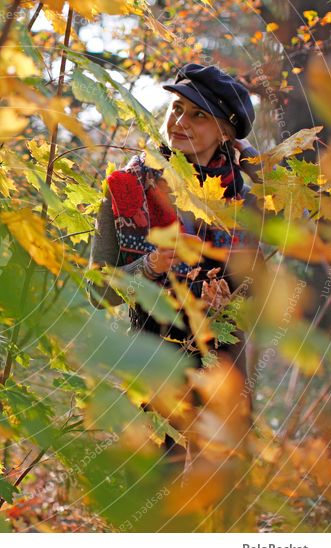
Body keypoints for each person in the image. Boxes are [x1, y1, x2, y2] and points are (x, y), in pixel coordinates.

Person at [87, 64, 260, 453]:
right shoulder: (128, 188)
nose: (180, 121)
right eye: (178, 107)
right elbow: (98, 290)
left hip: (222, 366)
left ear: (225, 132)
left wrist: (230, 303)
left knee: (217, 485)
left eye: (199, 115)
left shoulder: (246, 203)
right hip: (153, 359)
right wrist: (147, 268)